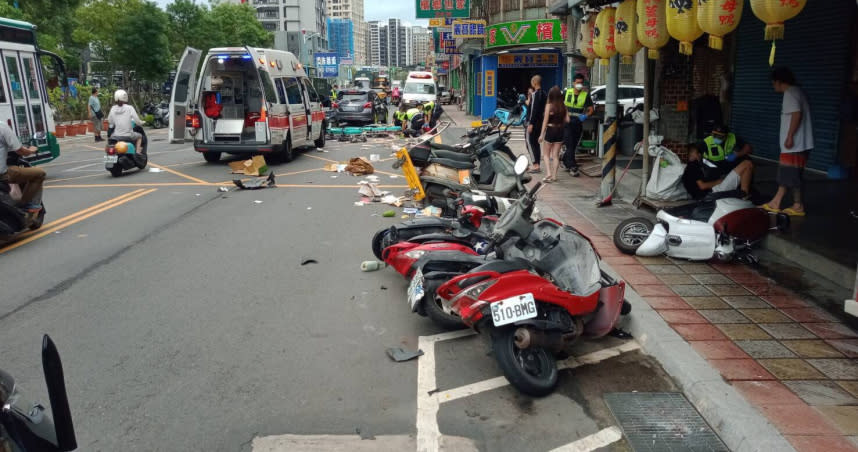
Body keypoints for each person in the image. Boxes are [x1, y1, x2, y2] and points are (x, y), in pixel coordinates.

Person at [761, 67, 813, 217]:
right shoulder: (797, 91)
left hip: (795, 144)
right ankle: (776, 202)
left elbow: (797, 114)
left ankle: (797, 206)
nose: (773, 86)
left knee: (791, 174)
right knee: (788, 174)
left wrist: (790, 136)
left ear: (778, 82)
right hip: (799, 144)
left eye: (773, 83)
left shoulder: (790, 93)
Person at [0, 122, 44, 221]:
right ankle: (29, 205)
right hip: (2, 174)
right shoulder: (2, 126)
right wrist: (32, 150)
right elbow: (20, 151)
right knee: (40, 173)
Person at [682, 145, 754, 201]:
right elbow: (702, 186)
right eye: (697, 153)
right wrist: (719, 181)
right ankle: (744, 195)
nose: (699, 154)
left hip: (711, 191)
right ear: (690, 155)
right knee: (747, 164)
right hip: (711, 193)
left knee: (744, 167)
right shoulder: (692, 166)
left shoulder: (695, 166)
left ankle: (743, 194)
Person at [562, 74, 594, 177]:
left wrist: (585, 116)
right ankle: (573, 166)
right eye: (577, 82)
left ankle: (565, 160)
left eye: (581, 83)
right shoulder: (567, 92)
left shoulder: (585, 95)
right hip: (567, 122)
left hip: (578, 122)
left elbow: (591, 109)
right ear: (573, 83)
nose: (579, 85)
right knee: (570, 143)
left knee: (574, 145)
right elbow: (560, 104)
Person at [538, 87, 570, 183]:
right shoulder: (564, 106)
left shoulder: (549, 106)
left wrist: (541, 134)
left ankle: (548, 173)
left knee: (546, 155)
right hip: (560, 131)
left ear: (550, 95)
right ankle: (555, 176)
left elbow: (545, 121)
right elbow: (568, 120)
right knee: (555, 155)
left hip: (551, 130)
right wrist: (560, 118)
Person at [107, 89, 143, 154]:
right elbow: (137, 120)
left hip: (116, 136)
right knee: (140, 136)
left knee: (110, 144)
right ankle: (138, 152)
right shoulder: (129, 108)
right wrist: (141, 122)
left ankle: (111, 156)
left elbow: (110, 121)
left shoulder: (113, 108)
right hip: (128, 135)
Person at [526, 75, 547, 174]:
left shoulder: (535, 95)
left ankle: (535, 165)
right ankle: (537, 164)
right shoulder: (544, 94)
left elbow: (534, 110)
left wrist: (531, 124)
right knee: (536, 144)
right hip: (540, 123)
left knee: (530, 143)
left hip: (534, 123)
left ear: (534, 83)